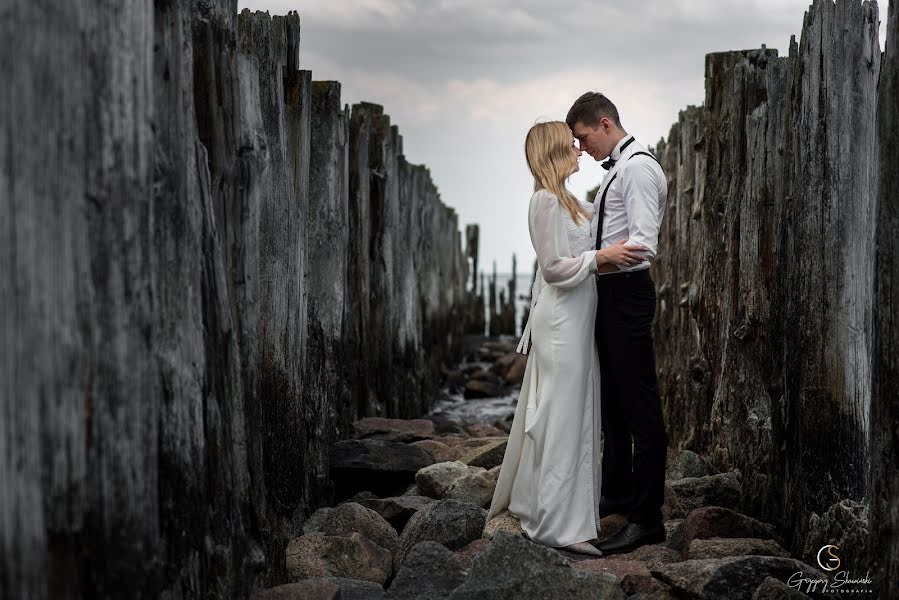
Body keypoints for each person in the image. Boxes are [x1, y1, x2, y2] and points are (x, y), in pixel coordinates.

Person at [486, 121, 647, 556]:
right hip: (560, 322)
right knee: (562, 417)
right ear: (554, 152)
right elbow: (555, 268)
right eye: (571, 146)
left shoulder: (570, 200)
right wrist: (602, 257)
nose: (579, 151)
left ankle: (552, 503)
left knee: (575, 413)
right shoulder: (543, 201)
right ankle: (558, 524)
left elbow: (599, 245)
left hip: (578, 320)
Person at [566, 92, 668, 555]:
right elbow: (604, 234)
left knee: (640, 408)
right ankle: (619, 494)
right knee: (613, 406)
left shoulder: (638, 169)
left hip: (626, 293)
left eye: (584, 139)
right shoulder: (617, 172)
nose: (582, 149)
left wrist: (588, 265)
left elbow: (643, 244)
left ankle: (648, 520)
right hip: (608, 293)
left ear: (605, 124)